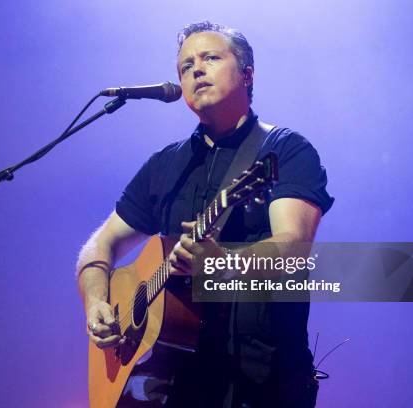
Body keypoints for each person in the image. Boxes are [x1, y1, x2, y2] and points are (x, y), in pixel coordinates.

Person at [77, 21, 334, 407]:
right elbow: (100, 244)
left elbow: (293, 246)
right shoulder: (165, 164)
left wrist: (223, 263)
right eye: (185, 66)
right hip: (167, 384)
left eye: (210, 58)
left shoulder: (284, 150)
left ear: (247, 74)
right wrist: (97, 301)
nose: (196, 69)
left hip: (259, 381)